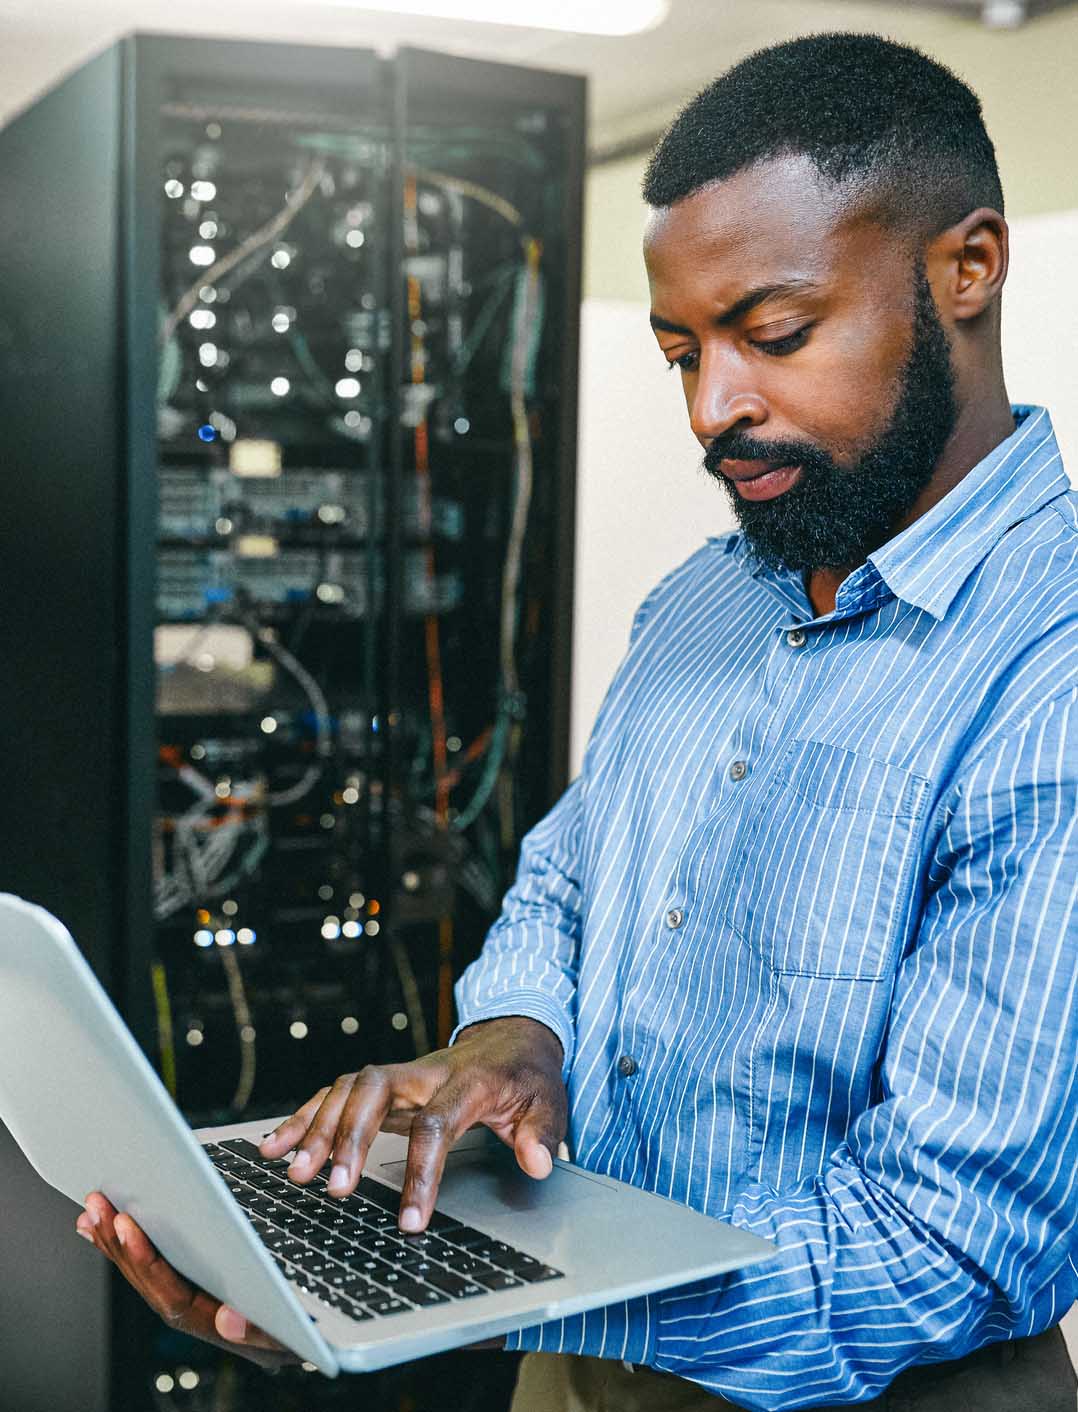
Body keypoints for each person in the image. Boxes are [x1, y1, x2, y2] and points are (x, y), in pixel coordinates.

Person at [79, 32, 1078, 1411]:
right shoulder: (704, 599)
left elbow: (942, 1250)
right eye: (680, 352)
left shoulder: (1051, 671)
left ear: (966, 267)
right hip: (570, 1357)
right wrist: (517, 1040)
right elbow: (568, 879)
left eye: (772, 335)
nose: (713, 409)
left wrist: (422, 1287)